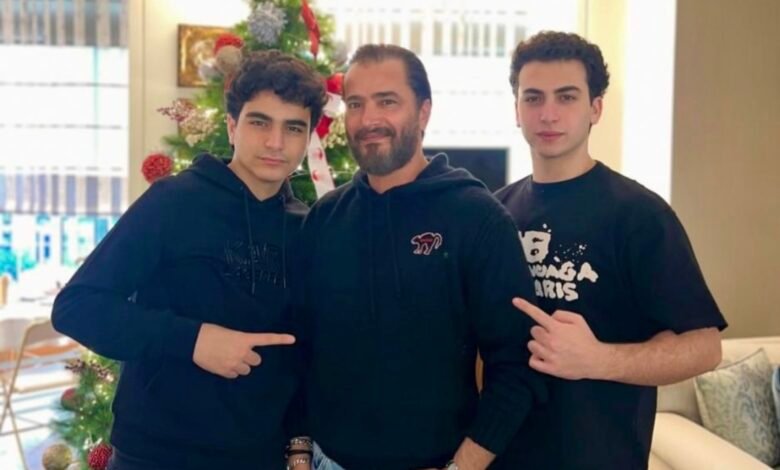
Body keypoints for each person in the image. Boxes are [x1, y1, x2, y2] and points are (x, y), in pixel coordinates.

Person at [51, 50, 327, 470]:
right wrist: (192, 340)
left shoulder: (306, 228)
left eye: (293, 128)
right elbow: (77, 307)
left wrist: (299, 445)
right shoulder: (172, 202)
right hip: (156, 455)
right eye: (259, 122)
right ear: (232, 126)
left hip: (261, 458)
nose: (275, 142)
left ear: (307, 138)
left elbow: (304, 352)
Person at [290, 44, 546, 470]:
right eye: (356, 104)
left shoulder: (476, 217)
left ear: (424, 112)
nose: (368, 120)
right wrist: (299, 452)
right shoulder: (324, 219)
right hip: (325, 461)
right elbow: (299, 349)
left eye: (387, 102)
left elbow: (517, 365)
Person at [493, 31, 727, 469]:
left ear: (595, 108)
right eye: (533, 98)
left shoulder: (639, 214)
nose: (548, 113)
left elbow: (704, 347)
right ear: (516, 109)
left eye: (566, 97)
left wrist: (598, 359)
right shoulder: (496, 212)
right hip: (501, 456)